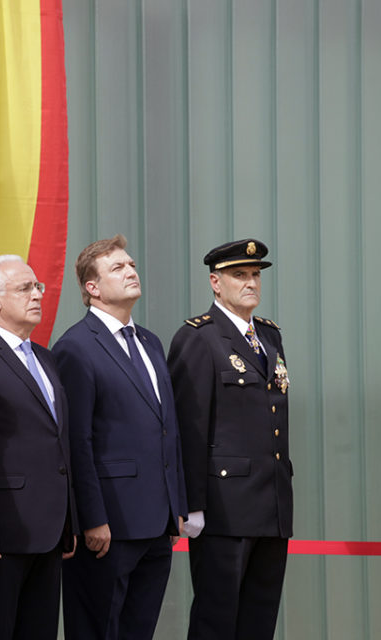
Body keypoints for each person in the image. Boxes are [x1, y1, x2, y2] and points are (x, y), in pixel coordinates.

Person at [52, 234, 187, 640]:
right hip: (109, 523)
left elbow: (168, 429)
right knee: (98, 629)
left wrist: (176, 502)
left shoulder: (149, 341)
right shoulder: (76, 347)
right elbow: (77, 442)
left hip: (157, 520)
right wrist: (92, 518)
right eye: (118, 268)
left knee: (138, 629)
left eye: (131, 265)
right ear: (91, 288)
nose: (131, 271)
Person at [167, 238, 292, 640]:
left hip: (270, 503)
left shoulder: (269, 336)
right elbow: (189, 425)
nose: (251, 283)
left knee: (259, 620)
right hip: (223, 507)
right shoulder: (198, 338)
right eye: (240, 275)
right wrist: (194, 504)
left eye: (255, 275)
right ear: (215, 283)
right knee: (216, 620)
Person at [0, 255, 77, 640]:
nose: (37, 295)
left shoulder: (44, 358)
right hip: (1, 534)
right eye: (25, 288)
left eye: (38, 286)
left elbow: (59, 446)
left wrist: (69, 520)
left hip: (49, 533)